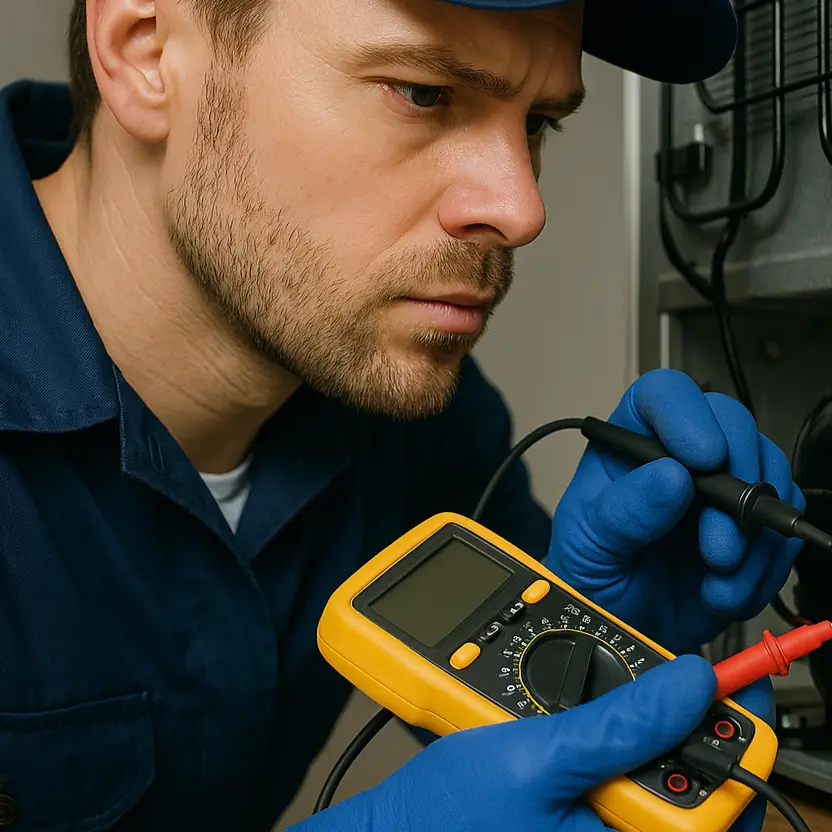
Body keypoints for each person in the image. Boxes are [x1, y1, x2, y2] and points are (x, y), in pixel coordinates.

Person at [0, 0, 804, 829]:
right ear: (144, 51)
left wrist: (596, 644)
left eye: (537, 123)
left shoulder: (400, 404)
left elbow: (534, 739)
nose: (521, 211)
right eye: (422, 93)